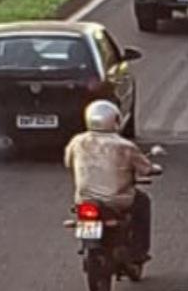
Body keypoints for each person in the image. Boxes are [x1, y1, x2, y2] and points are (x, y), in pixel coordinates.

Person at [64, 99, 158, 264]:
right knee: (143, 202)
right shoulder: (124, 146)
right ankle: (139, 250)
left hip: (85, 200)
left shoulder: (77, 142)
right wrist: (153, 169)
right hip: (118, 200)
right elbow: (145, 168)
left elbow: (68, 162)